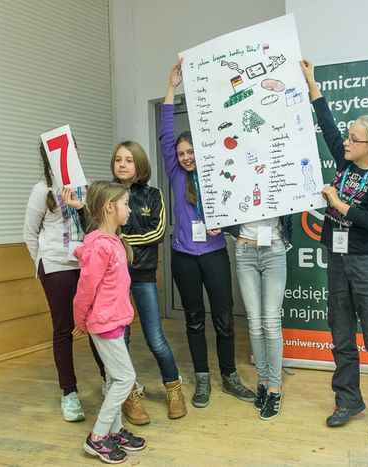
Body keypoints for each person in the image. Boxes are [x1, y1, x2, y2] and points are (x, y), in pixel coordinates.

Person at [301, 59, 368, 440]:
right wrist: (312, 83)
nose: (346, 142)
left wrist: (337, 202)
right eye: (347, 138)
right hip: (337, 261)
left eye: (354, 138)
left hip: (366, 265)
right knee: (342, 336)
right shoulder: (344, 161)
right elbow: (327, 124)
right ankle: (348, 401)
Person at [161, 58, 255, 408]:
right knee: (194, 320)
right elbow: (166, 133)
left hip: (214, 253)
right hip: (184, 257)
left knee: (224, 317)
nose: (186, 157)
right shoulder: (175, 173)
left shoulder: (216, 171)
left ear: (201, 151)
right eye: (181, 154)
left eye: (191, 152)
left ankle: (229, 376)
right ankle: (203, 379)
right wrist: (172, 86)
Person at [23, 140, 106, 422]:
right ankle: (69, 393)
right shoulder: (41, 190)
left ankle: (110, 380)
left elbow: (95, 227)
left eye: (75, 151)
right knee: (63, 329)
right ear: (50, 159)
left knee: (96, 324)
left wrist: (81, 207)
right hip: (55, 265)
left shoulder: (87, 187)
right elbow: (29, 233)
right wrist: (43, 264)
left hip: (84, 263)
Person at [111, 141, 186, 424]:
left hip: (143, 276)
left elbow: (157, 232)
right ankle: (128, 395)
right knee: (121, 339)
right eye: (118, 159)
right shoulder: (106, 193)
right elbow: (98, 230)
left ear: (139, 164)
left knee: (155, 338)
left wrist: (122, 241)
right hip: (114, 278)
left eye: (129, 160)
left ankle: (174, 388)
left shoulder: (154, 194)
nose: (122, 165)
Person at [73, 180, 146, 464]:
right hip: (103, 324)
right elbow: (85, 290)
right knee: (126, 378)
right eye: (125, 204)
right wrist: (80, 320)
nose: (129, 209)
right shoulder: (99, 247)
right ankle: (98, 436)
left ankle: (114, 431)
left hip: (114, 320)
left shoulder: (114, 241)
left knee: (117, 377)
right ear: (109, 207)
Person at [224, 213, 292, 421]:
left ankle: (275, 388)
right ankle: (262, 382)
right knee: (254, 322)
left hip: (274, 249)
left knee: (271, 322)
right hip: (245, 249)